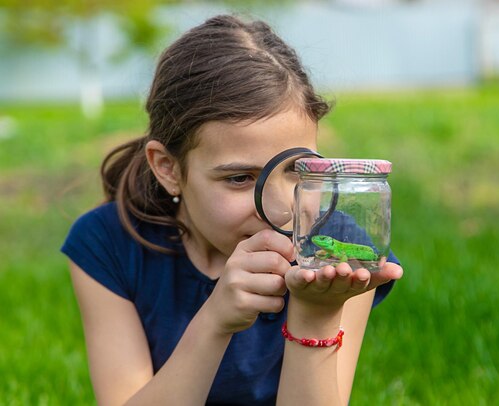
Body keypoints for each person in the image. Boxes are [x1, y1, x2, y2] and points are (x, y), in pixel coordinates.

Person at [62, 14, 403, 406]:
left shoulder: (339, 254)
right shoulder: (108, 244)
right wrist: (214, 321)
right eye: (240, 178)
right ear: (168, 169)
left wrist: (316, 313)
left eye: (297, 170)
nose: (279, 210)